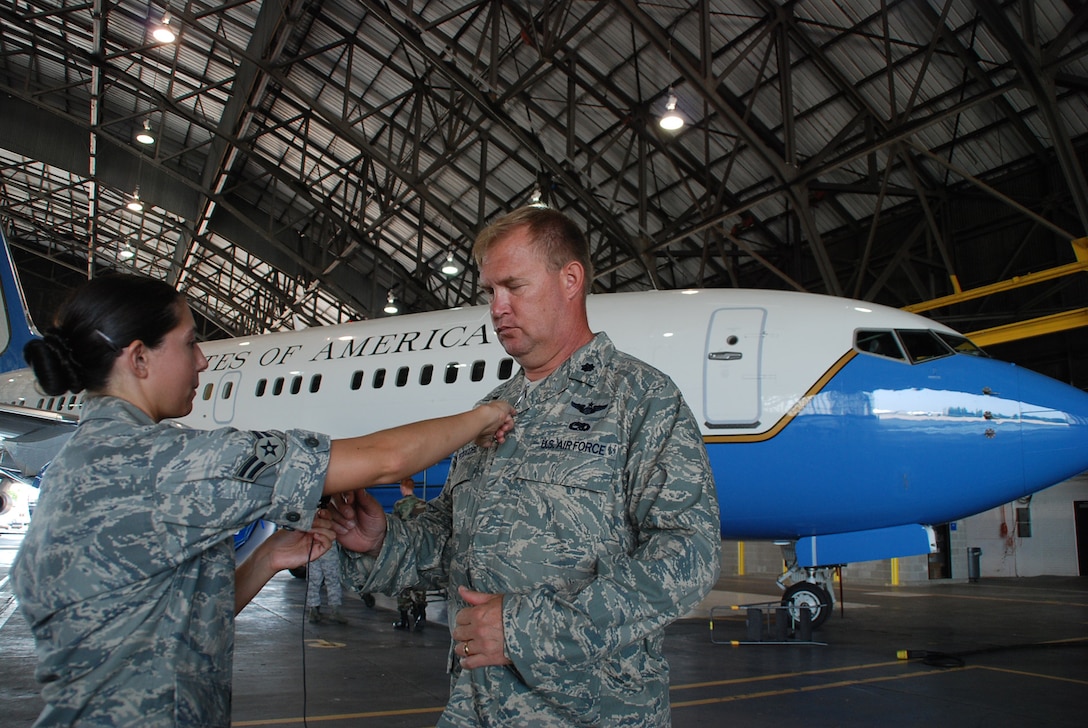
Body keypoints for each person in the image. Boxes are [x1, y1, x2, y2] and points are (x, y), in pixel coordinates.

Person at [10, 273, 514, 728]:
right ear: (139, 359)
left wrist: (267, 560)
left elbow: (167, 619)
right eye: (190, 344)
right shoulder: (169, 462)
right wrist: (484, 417)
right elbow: (383, 459)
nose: (204, 360)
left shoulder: (78, 464)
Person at [332, 206, 721, 726]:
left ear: (570, 279)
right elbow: (451, 539)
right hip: (476, 708)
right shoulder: (494, 407)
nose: (497, 307)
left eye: (513, 286)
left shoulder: (641, 398)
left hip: (590, 713)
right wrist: (384, 541)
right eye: (489, 292)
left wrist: (526, 631)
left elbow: (688, 555)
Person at [390, 477, 429, 631]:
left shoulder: (399, 505)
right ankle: (421, 614)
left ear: (402, 488)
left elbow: (395, 527)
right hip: (420, 547)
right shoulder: (423, 504)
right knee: (419, 579)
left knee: (402, 581)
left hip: (405, 548)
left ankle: (404, 619)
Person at [306, 543, 348, 624]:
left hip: (313, 551)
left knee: (313, 582)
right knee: (333, 581)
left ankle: (313, 610)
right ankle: (334, 611)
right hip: (328, 551)